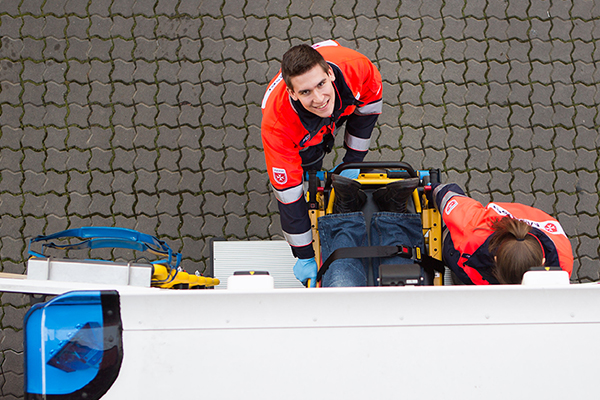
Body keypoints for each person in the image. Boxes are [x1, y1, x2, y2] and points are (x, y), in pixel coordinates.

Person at [261, 40, 383, 286]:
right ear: (292, 93)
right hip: (301, 134)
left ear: (329, 72)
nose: (318, 98)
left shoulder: (358, 70)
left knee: (331, 117)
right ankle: (315, 169)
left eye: (321, 84)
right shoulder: (278, 128)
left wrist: (352, 164)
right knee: (309, 166)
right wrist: (304, 254)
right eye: (305, 92)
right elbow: (289, 196)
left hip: (341, 105)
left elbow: (367, 112)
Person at [432, 183, 574, 284]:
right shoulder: (562, 263)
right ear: (543, 262)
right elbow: (449, 199)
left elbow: (449, 197)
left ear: (496, 259)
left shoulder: (474, 230)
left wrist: (435, 189)